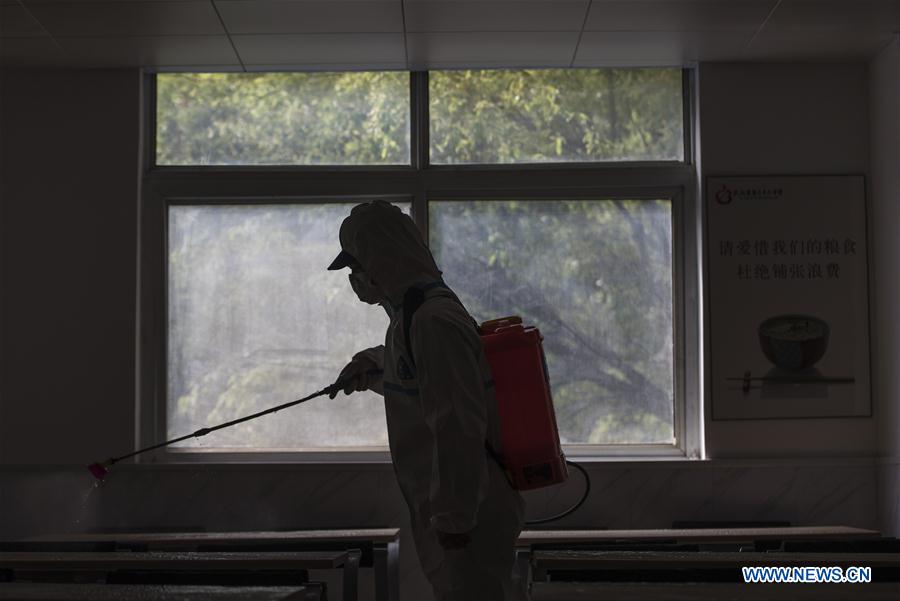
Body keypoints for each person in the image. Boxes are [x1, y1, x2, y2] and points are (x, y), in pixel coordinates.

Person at [326, 200, 525, 601]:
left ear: (382, 259)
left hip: (470, 519)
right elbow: (420, 380)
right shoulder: (411, 315)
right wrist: (369, 368)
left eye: (356, 267)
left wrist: (454, 519)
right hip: (456, 516)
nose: (354, 279)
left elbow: (457, 424)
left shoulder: (433, 320)